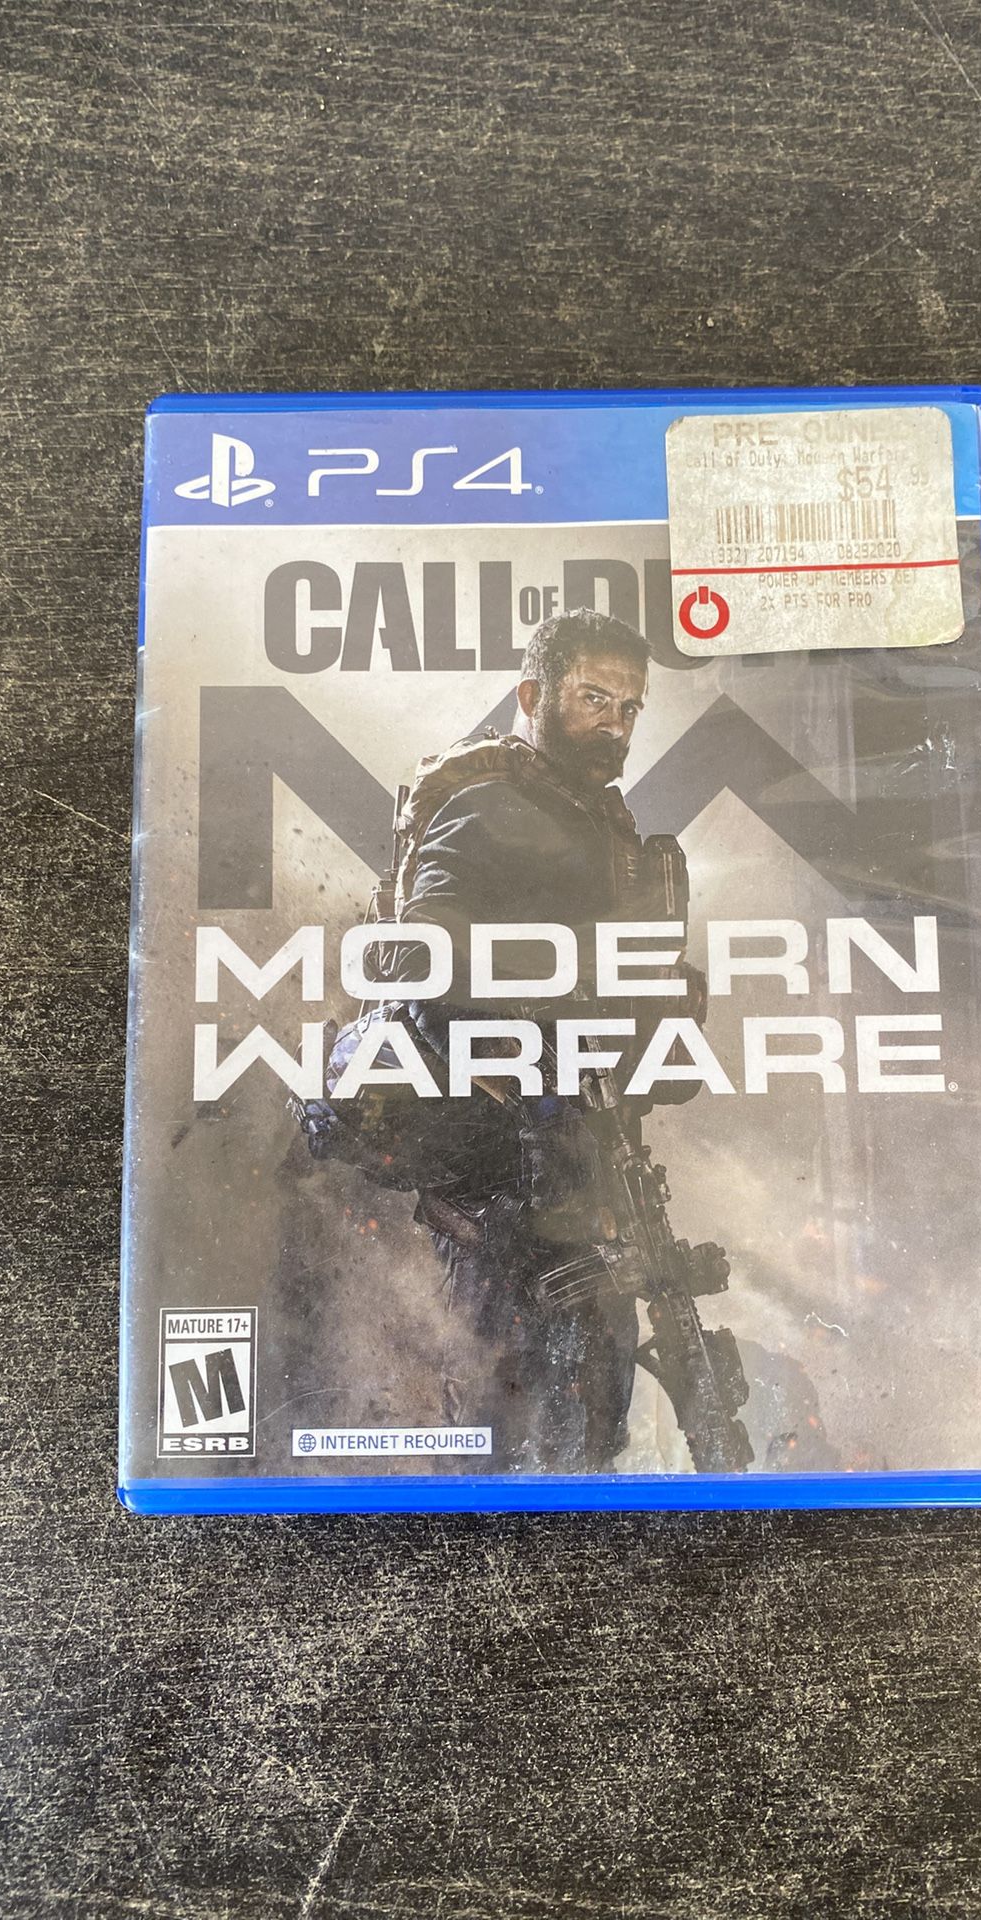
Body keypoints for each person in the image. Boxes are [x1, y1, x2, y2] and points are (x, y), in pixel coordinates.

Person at [316, 608, 708, 1471]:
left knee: (589, 1439)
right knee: (506, 1443)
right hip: (503, 1194)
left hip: (585, 1179)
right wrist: (517, 1043)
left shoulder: (604, 826)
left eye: (630, 708)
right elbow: (414, 957)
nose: (615, 724)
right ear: (533, 697)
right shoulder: (489, 808)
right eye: (593, 698)